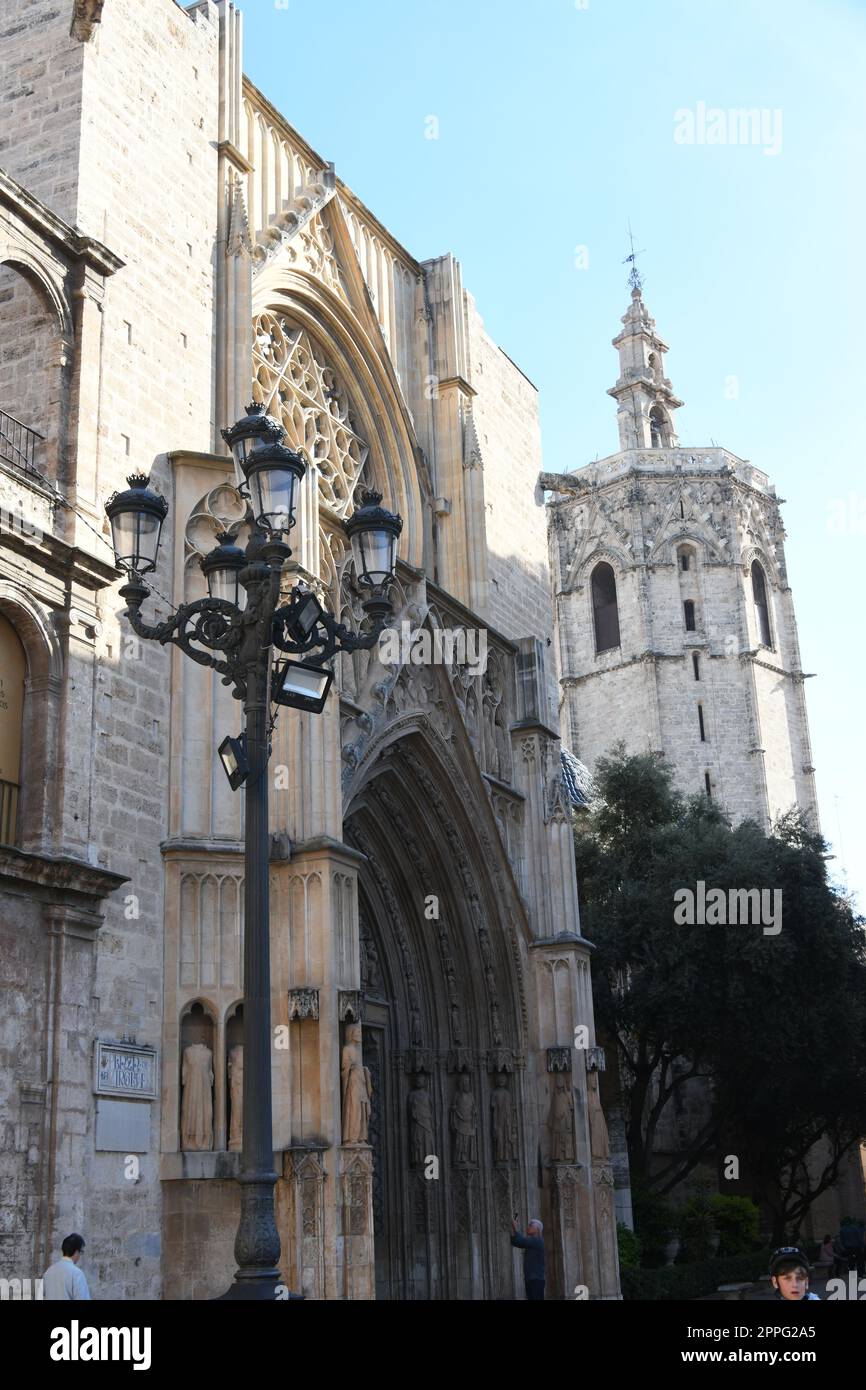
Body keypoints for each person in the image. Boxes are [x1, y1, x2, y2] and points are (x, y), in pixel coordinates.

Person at [43, 1233, 91, 1300]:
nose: (80, 1255)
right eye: (81, 1252)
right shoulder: (76, 1273)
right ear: (77, 1252)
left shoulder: (49, 1272)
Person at [511, 1216, 545, 1301]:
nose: (528, 1227)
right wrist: (513, 1229)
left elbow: (521, 1241)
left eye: (530, 1225)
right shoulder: (533, 1241)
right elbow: (516, 1242)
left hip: (536, 1279)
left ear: (537, 1229)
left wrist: (515, 1228)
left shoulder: (537, 1241)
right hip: (531, 1278)